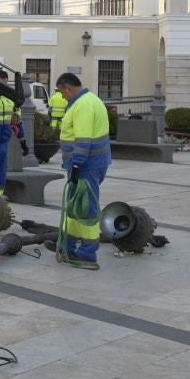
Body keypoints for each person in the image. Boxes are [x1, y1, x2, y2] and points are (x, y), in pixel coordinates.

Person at [56, 73, 110, 269]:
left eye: (61, 92)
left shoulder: (83, 105)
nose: (61, 97)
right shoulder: (90, 100)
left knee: (86, 210)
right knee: (75, 207)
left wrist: (77, 164)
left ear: (68, 88)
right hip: (90, 163)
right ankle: (67, 244)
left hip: (86, 165)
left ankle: (87, 253)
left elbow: (83, 139)